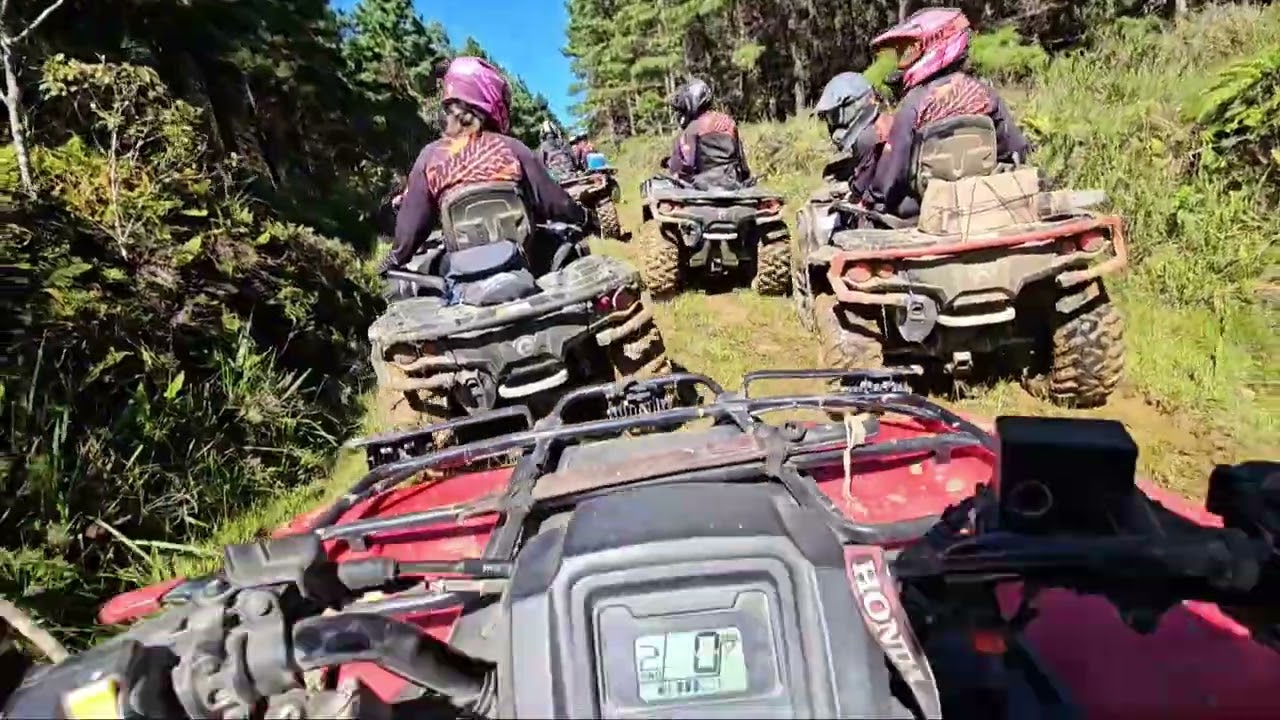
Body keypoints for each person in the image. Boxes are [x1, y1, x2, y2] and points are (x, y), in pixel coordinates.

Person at [381, 57, 588, 287]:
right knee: (567, 246)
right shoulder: (511, 148)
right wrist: (584, 217)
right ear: (486, 95)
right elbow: (555, 203)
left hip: (463, 277)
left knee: (423, 276)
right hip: (527, 263)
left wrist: (395, 257)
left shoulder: (430, 157)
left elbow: (412, 227)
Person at [864, 8, 1032, 218]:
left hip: (927, 207)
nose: (903, 61)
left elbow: (891, 174)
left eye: (910, 50)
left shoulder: (915, 103)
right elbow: (1015, 150)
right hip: (981, 200)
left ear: (936, 44)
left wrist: (872, 199)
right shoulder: (985, 94)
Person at [812, 72, 895, 201]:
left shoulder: (866, 138)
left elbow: (863, 184)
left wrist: (851, 188)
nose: (832, 123)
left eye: (835, 116)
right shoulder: (880, 122)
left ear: (855, 105)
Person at [664, 78, 751, 189]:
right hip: (732, 184)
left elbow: (685, 167)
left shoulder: (692, 129)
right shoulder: (728, 122)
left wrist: (672, 163)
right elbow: (743, 166)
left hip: (702, 187)